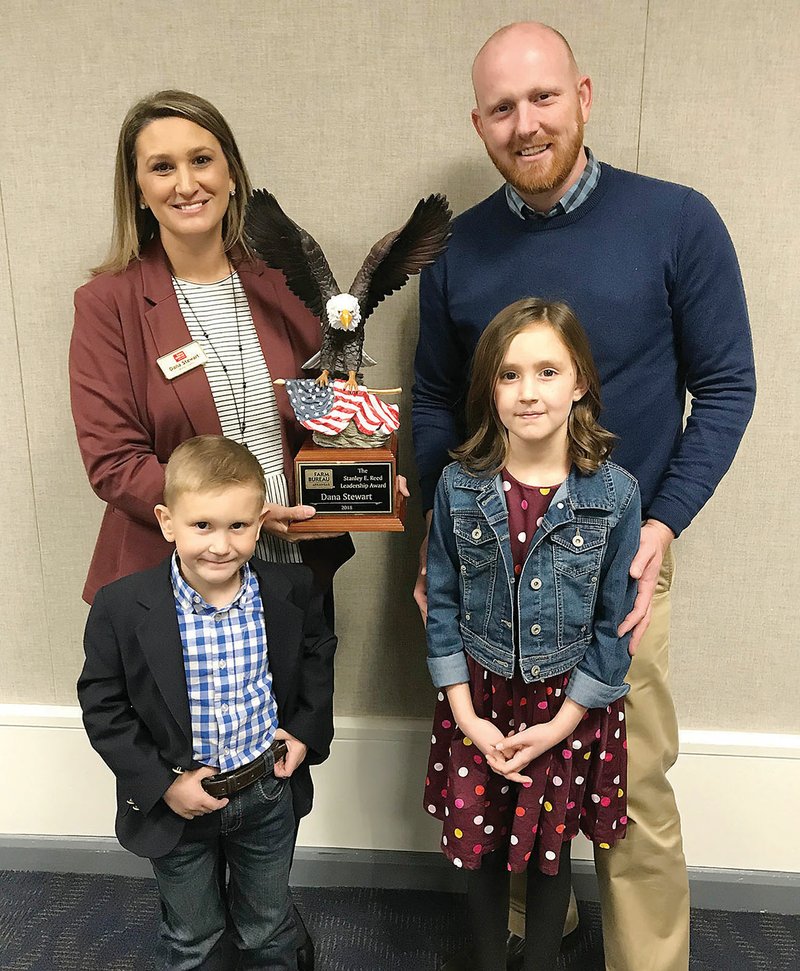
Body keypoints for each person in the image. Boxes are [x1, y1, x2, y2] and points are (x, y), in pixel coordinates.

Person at [412, 22, 756, 971]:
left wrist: (661, 521)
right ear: (478, 122)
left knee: (631, 780)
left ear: (585, 95)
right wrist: (427, 552)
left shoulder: (678, 220)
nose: (526, 124)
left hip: (623, 560)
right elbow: (438, 402)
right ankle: (536, 931)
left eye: (544, 98)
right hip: (488, 553)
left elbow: (726, 385)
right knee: (514, 764)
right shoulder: (457, 249)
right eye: (503, 107)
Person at [69, 90, 354, 968]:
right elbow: (113, 459)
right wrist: (231, 517)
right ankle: (201, 932)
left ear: (231, 170)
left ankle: (269, 929)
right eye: (163, 165)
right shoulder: (111, 302)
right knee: (186, 801)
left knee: (273, 778)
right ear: (139, 187)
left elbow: (311, 405)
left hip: (288, 569)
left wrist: (360, 462)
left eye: (202, 159)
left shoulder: (283, 286)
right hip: (176, 575)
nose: (186, 181)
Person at [424, 298, 639, 971]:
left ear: (580, 383)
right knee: (480, 844)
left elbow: (613, 627)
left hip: (564, 707)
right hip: (477, 704)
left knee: (551, 852)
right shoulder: (458, 487)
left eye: (548, 371)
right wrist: (467, 720)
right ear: (490, 388)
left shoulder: (616, 496)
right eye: (510, 374)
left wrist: (561, 724)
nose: (528, 391)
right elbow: (442, 605)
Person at [78, 435, 335, 970]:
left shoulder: (291, 588)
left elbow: (317, 654)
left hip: (266, 791)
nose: (221, 544)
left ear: (260, 521)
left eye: (238, 525)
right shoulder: (122, 606)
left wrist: (305, 731)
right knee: (192, 936)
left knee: (266, 928)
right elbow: (103, 704)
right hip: (179, 803)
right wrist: (163, 784)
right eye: (202, 526)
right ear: (167, 522)